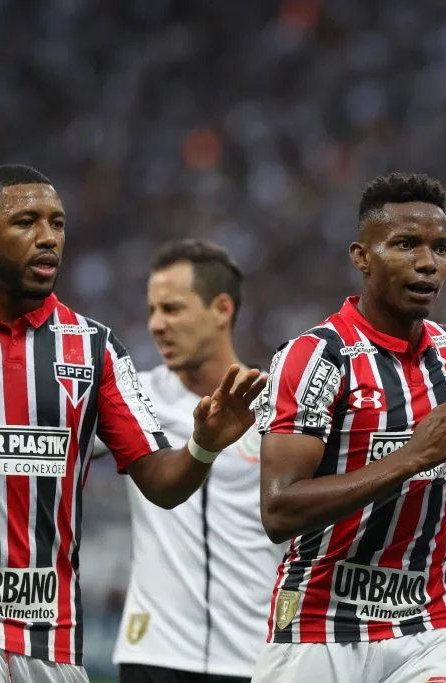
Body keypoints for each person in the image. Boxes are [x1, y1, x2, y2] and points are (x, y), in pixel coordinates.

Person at [0, 165, 265, 683]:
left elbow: (160, 480)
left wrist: (202, 445)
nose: (48, 238)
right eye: (26, 222)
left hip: (52, 626)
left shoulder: (96, 348)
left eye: (57, 223)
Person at [251, 172, 446, 683]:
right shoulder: (315, 358)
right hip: (319, 625)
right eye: (406, 245)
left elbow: (438, 477)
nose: (429, 263)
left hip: (425, 624)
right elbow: (279, 508)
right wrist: (414, 454)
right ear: (361, 255)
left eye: (441, 248)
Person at [108, 239, 283, 683]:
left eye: (172, 309)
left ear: (221, 308)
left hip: (256, 656)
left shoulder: (279, 409)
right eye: (152, 311)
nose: (156, 325)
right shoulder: (132, 398)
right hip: (154, 653)